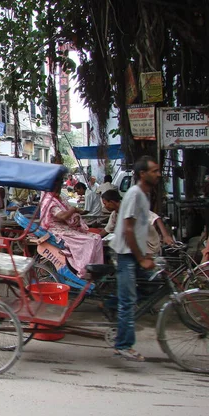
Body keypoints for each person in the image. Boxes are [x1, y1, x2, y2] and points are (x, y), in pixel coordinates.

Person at [109, 155, 161, 362]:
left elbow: (140, 229)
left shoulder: (144, 195)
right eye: (154, 170)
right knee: (128, 301)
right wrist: (141, 258)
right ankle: (123, 345)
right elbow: (128, 229)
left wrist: (148, 255)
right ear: (142, 174)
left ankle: (111, 304)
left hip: (135, 254)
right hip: (126, 255)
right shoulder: (134, 193)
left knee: (153, 284)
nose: (158, 174)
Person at [39, 180, 104, 278]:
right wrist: (73, 210)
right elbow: (63, 216)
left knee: (97, 237)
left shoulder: (59, 198)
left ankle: (95, 269)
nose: (59, 190)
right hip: (56, 230)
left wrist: (75, 215)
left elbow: (70, 211)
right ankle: (83, 270)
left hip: (65, 227)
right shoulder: (49, 201)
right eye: (57, 188)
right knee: (88, 241)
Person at [100, 189, 174, 255]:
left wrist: (166, 236)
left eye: (105, 203)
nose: (105, 206)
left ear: (112, 202)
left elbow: (156, 218)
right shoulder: (114, 215)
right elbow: (106, 230)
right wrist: (93, 238)